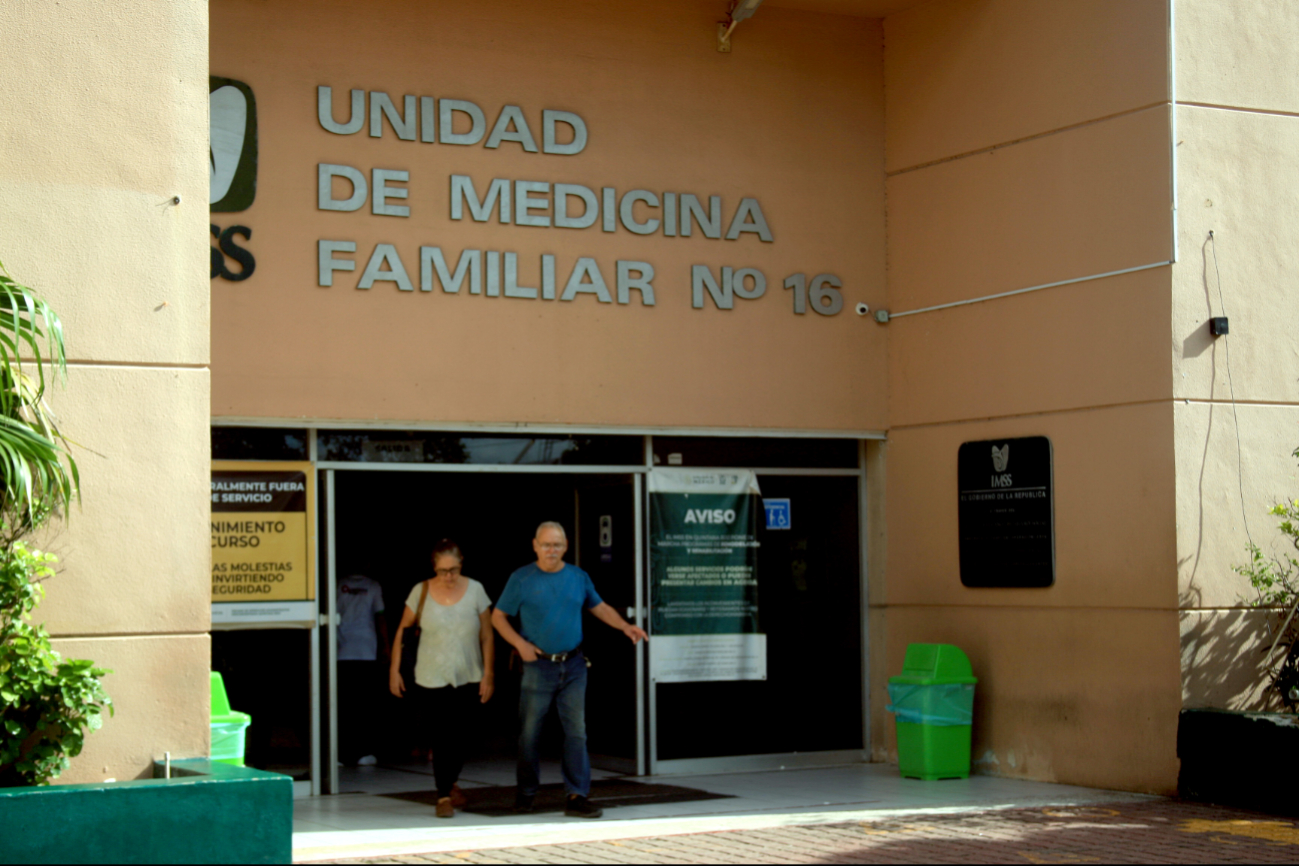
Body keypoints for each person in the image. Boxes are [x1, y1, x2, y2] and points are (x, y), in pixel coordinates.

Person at [492, 521, 647, 819]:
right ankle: (525, 795)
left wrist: (625, 626)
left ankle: (577, 796)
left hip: (574, 665)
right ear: (535, 545)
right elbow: (498, 617)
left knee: (576, 732)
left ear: (565, 546)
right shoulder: (521, 578)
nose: (552, 550)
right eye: (546, 545)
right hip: (538, 666)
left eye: (558, 545)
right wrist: (519, 644)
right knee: (529, 734)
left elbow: (598, 606)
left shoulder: (578, 577)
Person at [389, 540, 495, 819]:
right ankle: (443, 796)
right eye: (443, 571)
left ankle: (451, 782)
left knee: (463, 737)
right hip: (430, 675)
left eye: (454, 570)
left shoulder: (476, 590)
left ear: (462, 563)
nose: (448, 576)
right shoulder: (420, 591)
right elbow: (403, 630)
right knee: (440, 736)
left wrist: (489, 673)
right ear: (434, 566)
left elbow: (487, 635)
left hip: (468, 673)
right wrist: (394, 670)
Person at [336, 572, 389, 766]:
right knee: (364, 704)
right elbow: (380, 617)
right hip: (366, 650)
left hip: (342, 650)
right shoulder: (373, 585)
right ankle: (363, 751)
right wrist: (386, 646)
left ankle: (341, 752)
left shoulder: (337, 583)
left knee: (343, 705)